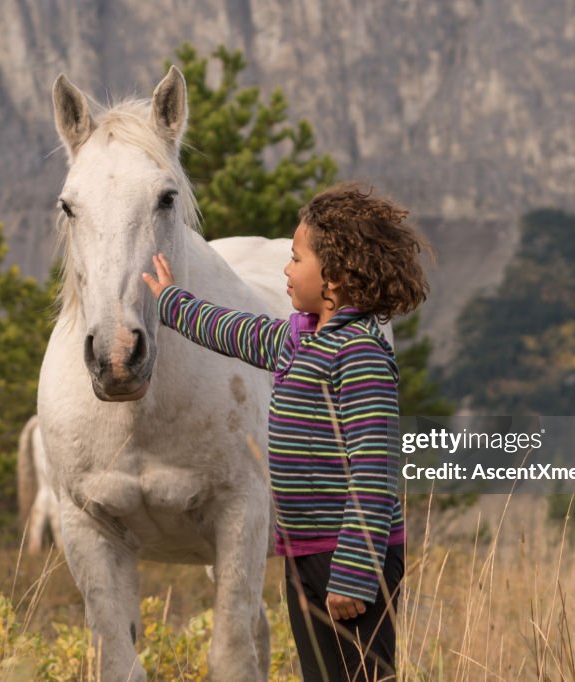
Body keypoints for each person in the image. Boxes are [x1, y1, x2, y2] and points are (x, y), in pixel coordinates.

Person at [142, 183, 430, 681]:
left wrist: (356, 574)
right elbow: (231, 330)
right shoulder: (296, 338)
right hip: (305, 552)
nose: (285, 269)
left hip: (351, 556)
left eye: (297, 258)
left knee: (361, 676)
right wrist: (173, 303)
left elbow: (374, 468)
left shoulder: (359, 355)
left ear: (336, 277)